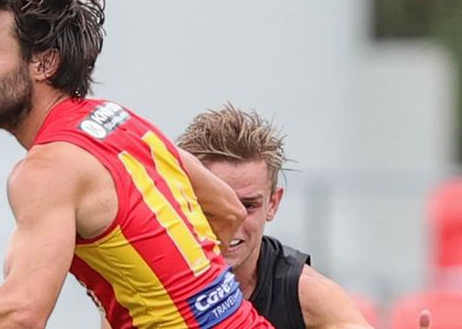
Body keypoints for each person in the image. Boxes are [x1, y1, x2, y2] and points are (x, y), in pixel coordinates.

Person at [0, 0, 273, 328]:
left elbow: (22, 311)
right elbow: (224, 207)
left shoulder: (47, 169)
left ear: (44, 64)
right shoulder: (123, 121)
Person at [176, 104, 432, 329]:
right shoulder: (148, 271)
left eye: (249, 205)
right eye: (217, 205)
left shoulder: (304, 293)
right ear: (185, 200)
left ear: (273, 203)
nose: (233, 219)